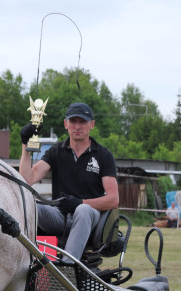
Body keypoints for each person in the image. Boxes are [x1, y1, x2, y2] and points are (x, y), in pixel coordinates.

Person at [19, 102, 119, 265]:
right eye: (73, 121)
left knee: (83, 210)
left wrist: (80, 202)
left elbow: (113, 200)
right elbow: (27, 180)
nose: (77, 126)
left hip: (90, 218)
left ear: (92, 124)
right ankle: (25, 261)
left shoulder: (103, 155)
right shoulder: (56, 151)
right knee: (31, 205)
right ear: (66, 124)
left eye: (82, 122)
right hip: (59, 216)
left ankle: (67, 266)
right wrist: (25, 145)